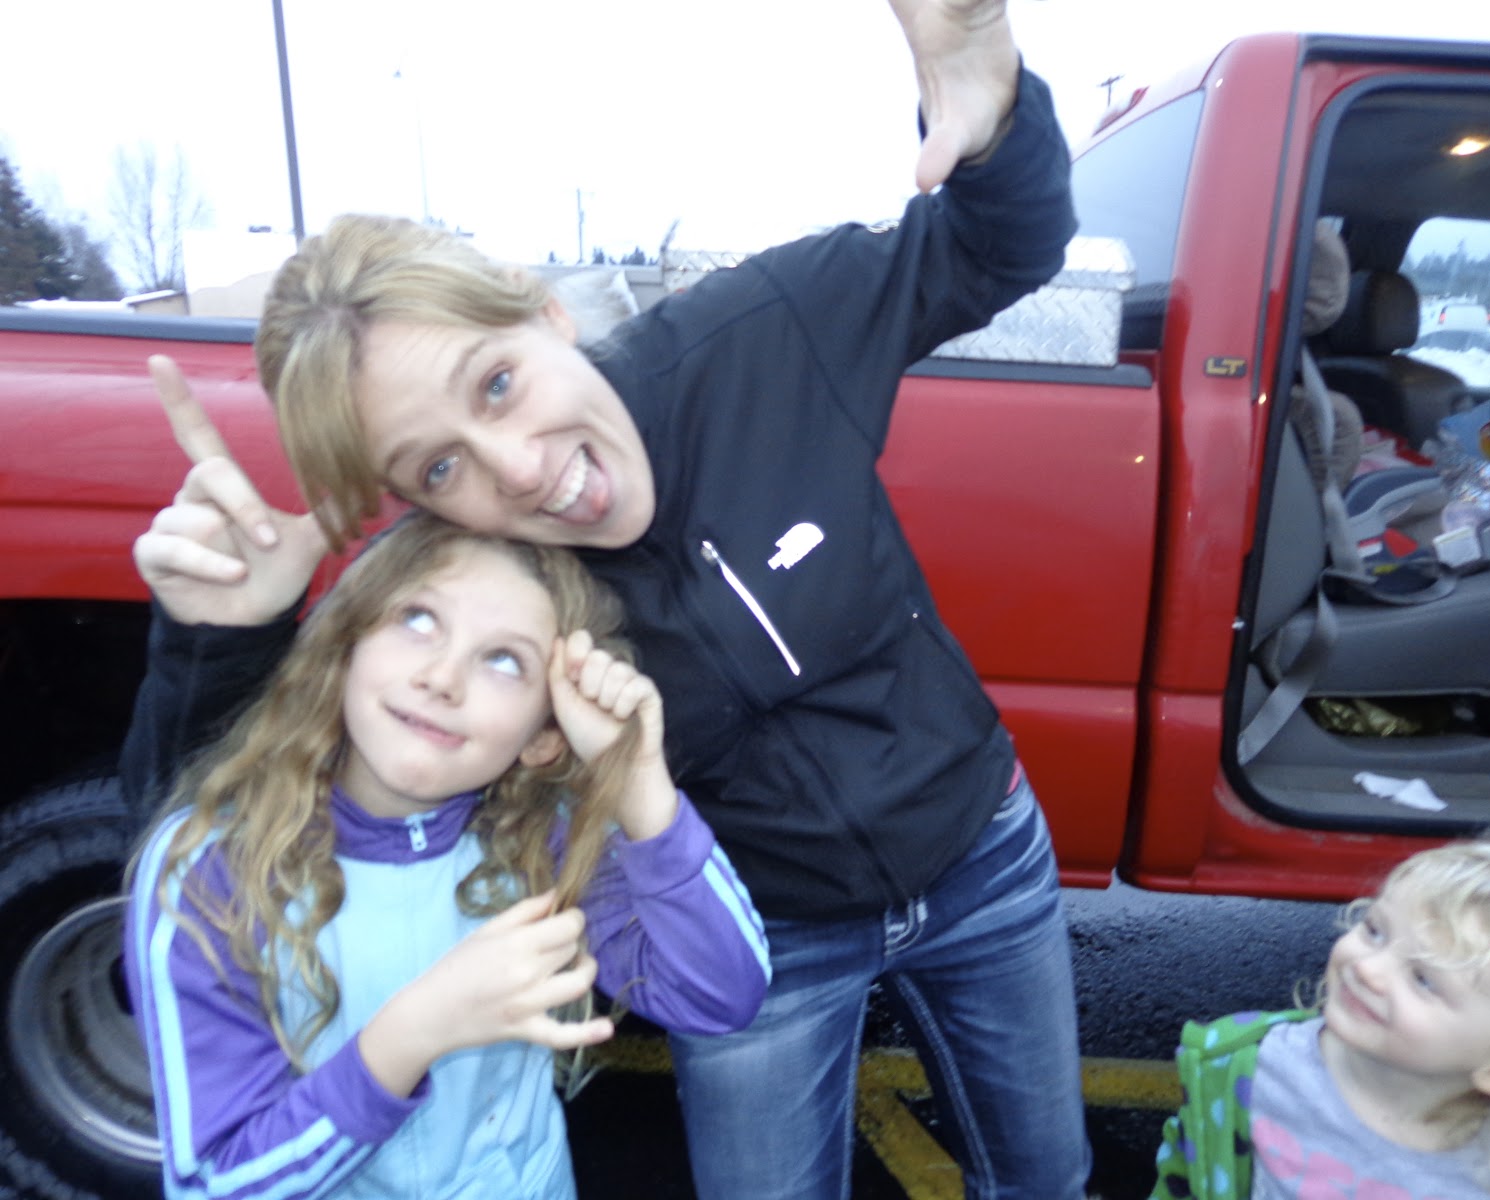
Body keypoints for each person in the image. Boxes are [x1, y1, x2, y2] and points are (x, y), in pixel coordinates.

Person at [120, 0, 1092, 1194]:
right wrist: (219, 640)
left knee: (1046, 1176)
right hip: (757, 931)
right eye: (439, 467)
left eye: (497, 382)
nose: (518, 468)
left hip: (980, 852)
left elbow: (996, 249)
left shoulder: (759, 338)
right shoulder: (474, 581)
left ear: (542, 310)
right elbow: (208, 830)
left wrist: (993, 107)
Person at [123, 510, 770, 1200]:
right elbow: (216, 1183)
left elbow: (720, 996)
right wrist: (413, 1034)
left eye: (504, 660)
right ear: (345, 645)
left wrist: (639, 785)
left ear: (543, 736)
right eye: (418, 619)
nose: (443, 678)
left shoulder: (541, 838)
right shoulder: (211, 869)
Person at [1148, 835, 1490, 1200]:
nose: (1368, 968)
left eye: (1423, 979)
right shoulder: (1245, 1067)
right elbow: (1186, 1174)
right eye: (1375, 931)